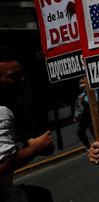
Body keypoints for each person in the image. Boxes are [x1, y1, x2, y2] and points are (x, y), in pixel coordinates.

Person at [1, 47, 55, 202]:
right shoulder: (2, 112)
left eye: (22, 74)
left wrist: (26, 143)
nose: (22, 80)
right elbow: (4, 164)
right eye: (14, 77)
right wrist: (36, 148)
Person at [74, 79, 94, 150]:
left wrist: (84, 98)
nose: (81, 85)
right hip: (83, 116)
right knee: (80, 132)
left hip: (91, 115)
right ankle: (88, 147)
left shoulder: (90, 90)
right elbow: (78, 106)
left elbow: (94, 101)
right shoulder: (80, 93)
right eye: (80, 84)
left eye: (83, 83)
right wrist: (76, 116)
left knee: (94, 131)